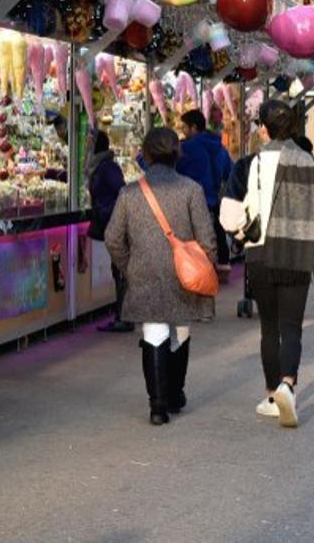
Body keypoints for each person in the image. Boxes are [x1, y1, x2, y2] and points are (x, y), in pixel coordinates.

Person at [219, 101, 314, 428]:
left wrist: (241, 234)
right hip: (299, 255)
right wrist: (312, 229)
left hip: (261, 256)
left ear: (264, 129)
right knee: (291, 327)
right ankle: (288, 384)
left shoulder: (247, 165)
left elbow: (228, 217)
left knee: (269, 328)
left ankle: (273, 396)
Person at [105, 127, 216, 425]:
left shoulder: (130, 193)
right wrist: (204, 267)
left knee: (153, 333)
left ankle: (157, 405)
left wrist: (130, 266)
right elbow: (207, 240)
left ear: (147, 153)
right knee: (180, 330)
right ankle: (175, 393)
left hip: (144, 273)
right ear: (177, 153)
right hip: (184, 275)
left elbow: (113, 238)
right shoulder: (192, 189)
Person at [176, 109, 233, 270]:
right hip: (213, 200)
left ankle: (198, 271)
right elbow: (231, 172)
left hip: (191, 202)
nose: (183, 132)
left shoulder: (188, 147)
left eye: (185, 128)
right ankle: (221, 263)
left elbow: (169, 167)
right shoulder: (219, 147)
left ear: (194, 128)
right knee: (213, 234)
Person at [86, 129, 132, 333]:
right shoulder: (99, 167)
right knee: (118, 270)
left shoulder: (107, 168)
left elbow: (122, 192)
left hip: (115, 223)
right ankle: (122, 315)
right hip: (110, 222)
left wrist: (105, 211)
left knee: (121, 270)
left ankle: (125, 316)